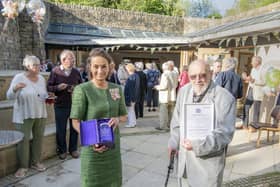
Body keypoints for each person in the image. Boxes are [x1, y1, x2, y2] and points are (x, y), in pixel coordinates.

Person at [168, 60, 236, 187]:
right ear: (188, 76)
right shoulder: (183, 91)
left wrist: (196, 145)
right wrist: (173, 142)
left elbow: (225, 133)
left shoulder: (225, 97)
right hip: (184, 165)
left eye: (203, 75)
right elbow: (176, 122)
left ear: (211, 73)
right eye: (193, 76)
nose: (198, 80)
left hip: (207, 167)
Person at [70, 48, 127, 187]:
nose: (100, 71)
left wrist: (118, 120)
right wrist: (93, 141)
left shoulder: (116, 89)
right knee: (91, 182)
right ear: (90, 67)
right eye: (96, 66)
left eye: (104, 66)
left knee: (113, 182)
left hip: (113, 148)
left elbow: (124, 115)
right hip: (92, 148)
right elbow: (75, 121)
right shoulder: (82, 90)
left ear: (109, 67)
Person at [7, 55, 48, 178]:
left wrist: (48, 96)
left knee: (38, 138)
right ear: (27, 67)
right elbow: (9, 96)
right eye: (35, 65)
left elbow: (42, 94)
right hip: (23, 114)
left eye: (39, 64)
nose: (38, 67)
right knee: (23, 141)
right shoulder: (19, 78)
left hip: (40, 113)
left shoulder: (41, 78)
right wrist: (15, 88)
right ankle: (23, 166)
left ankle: (36, 162)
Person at [47, 49, 82, 160]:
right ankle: (62, 150)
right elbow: (48, 87)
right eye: (71, 58)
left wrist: (76, 89)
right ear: (63, 60)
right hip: (60, 105)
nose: (73, 60)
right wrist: (58, 87)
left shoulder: (76, 72)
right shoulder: (55, 71)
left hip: (74, 105)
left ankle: (73, 149)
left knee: (74, 128)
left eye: (73, 58)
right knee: (61, 129)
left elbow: (81, 86)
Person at [242, 56, 265, 130]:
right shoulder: (253, 69)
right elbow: (251, 79)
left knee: (256, 110)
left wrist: (254, 81)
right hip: (251, 90)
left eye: (252, 61)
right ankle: (245, 124)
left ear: (257, 62)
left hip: (258, 92)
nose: (251, 63)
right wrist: (248, 79)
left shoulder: (263, 70)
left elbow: (264, 82)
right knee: (246, 107)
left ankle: (255, 127)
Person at [155, 62, 173, 130]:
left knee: (163, 112)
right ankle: (169, 124)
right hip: (172, 95)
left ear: (164, 68)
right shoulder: (174, 73)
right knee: (170, 112)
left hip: (164, 96)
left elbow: (163, 86)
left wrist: (157, 87)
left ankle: (162, 126)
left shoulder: (165, 74)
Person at [124, 63, 140, 128]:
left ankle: (131, 123)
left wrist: (131, 99)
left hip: (130, 97)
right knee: (132, 110)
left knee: (130, 111)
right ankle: (133, 123)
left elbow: (131, 90)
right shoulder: (136, 76)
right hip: (134, 96)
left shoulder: (131, 77)